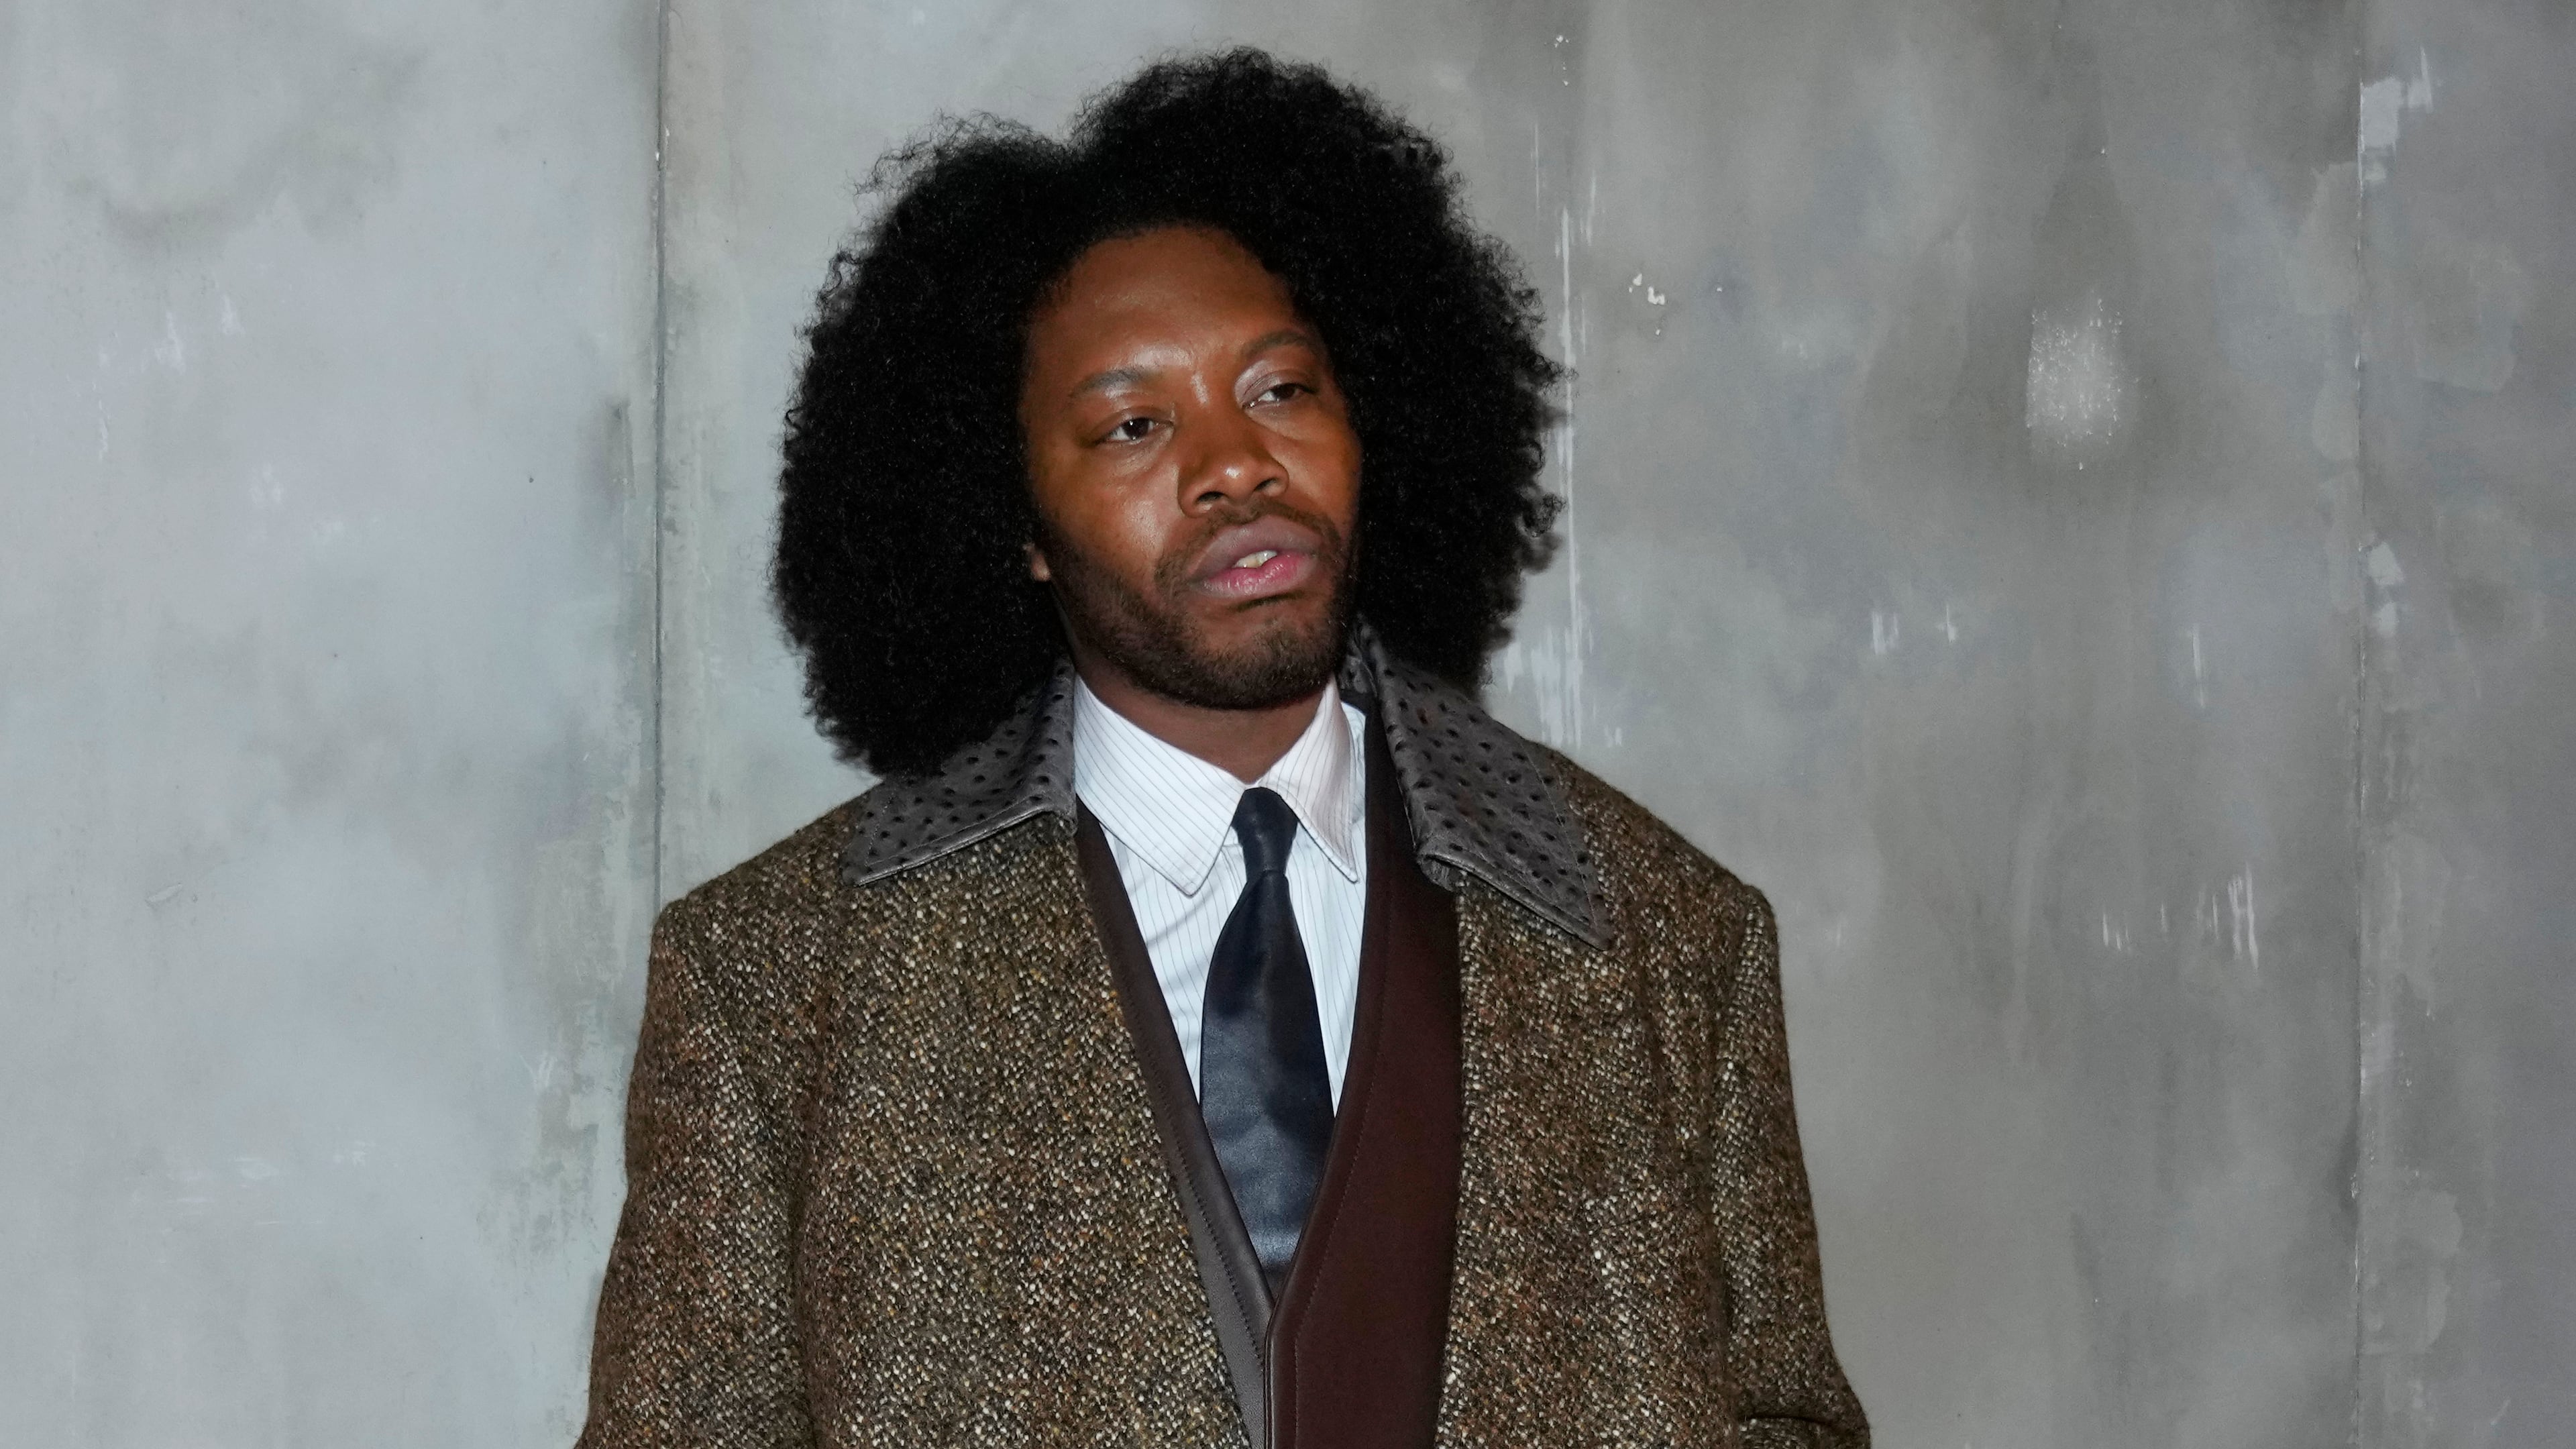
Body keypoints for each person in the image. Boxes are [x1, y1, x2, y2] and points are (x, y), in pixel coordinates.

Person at [578, 48, 1867, 1449]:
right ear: (1010, 521)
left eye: (1282, 391)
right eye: (1135, 424)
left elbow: (1783, 1421)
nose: (1235, 465)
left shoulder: (1668, 935)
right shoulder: (779, 985)